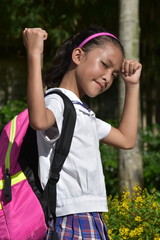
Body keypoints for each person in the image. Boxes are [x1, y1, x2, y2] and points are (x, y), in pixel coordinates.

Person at [23, 25, 142, 240]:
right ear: (78, 55)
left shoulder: (83, 112)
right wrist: (34, 55)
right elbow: (39, 120)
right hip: (69, 216)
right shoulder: (58, 101)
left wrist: (132, 86)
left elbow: (127, 139)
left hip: (90, 216)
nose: (107, 78)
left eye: (114, 74)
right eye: (104, 65)